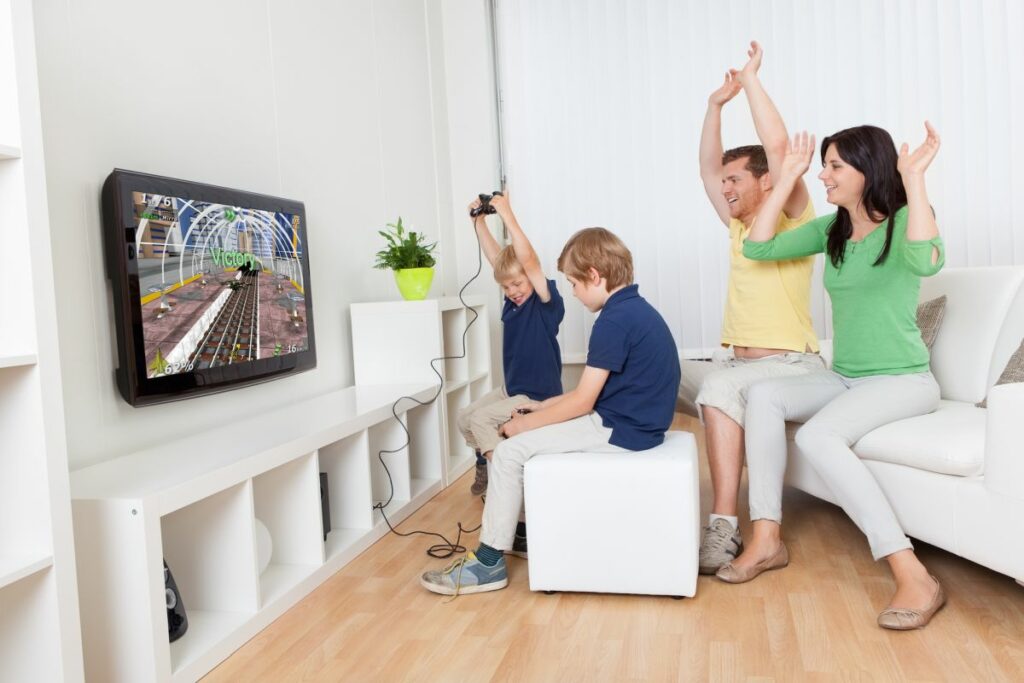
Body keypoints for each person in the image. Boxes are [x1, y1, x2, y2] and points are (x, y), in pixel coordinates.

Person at [718, 123, 947, 631]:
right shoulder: (833, 230)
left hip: (903, 380)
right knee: (763, 395)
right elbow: (757, 248)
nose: (823, 176)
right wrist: (785, 179)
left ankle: (913, 574)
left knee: (820, 436)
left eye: (834, 166)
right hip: (845, 376)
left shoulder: (905, 219)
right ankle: (767, 538)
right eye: (822, 165)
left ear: (869, 169)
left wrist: (913, 181)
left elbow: (927, 261)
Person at [421, 228, 681, 595]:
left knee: (509, 451)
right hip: (631, 421)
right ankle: (516, 529)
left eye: (574, 283)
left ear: (594, 275)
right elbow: (589, 391)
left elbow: (583, 403)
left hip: (621, 430)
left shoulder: (613, 321)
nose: (572, 293)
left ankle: (490, 563)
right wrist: (545, 405)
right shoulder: (633, 310)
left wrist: (525, 424)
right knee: (517, 436)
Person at [681, 41, 823, 574]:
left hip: (789, 365)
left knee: (718, 390)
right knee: (657, 370)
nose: (725, 187)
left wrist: (753, 81)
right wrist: (716, 105)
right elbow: (703, 168)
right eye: (725, 181)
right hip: (739, 366)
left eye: (735, 179)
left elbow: (782, 147)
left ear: (766, 180)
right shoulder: (740, 227)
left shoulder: (792, 218)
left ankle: (723, 528)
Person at [456, 193, 564, 509]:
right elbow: (497, 259)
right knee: (465, 418)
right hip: (511, 389)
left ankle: (507, 480)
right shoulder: (512, 301)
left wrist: (507, 214)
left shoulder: (545, 302)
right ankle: (485, 466)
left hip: (536, 396)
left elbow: (527, 261)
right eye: (506, 287)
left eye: (518, 284)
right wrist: (478, 223)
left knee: (481, 422)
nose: (513, 291)